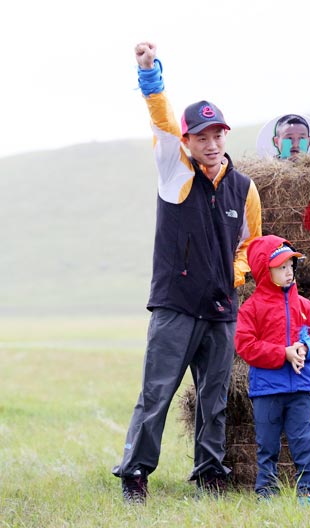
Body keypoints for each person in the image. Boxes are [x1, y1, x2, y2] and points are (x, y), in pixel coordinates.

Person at [112, 42, 262, 503]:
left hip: (221, 311)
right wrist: (149, 73)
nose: (212, 144)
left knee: (213, 402)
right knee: (156, 396)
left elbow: (251, 245)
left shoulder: (244, 187)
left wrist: (235, 276)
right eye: (202, 136)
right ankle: (135, 474)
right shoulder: (174, 172)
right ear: (188, 141)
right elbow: (159, 118)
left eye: (218, 134)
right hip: (175, 307)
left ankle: (211, 472)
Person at [234, 234, 310, 504]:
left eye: (291, 266)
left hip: (300, 387)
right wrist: (282, 353)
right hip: (267, 389)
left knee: (303, 440)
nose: (289, 272)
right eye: (281, 267)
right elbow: (245, 346)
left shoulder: (305, 306)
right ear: (266, 271)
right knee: (267, 443)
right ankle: (266, 491)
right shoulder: (252, 309)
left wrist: (305, 349)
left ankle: (309, 490)